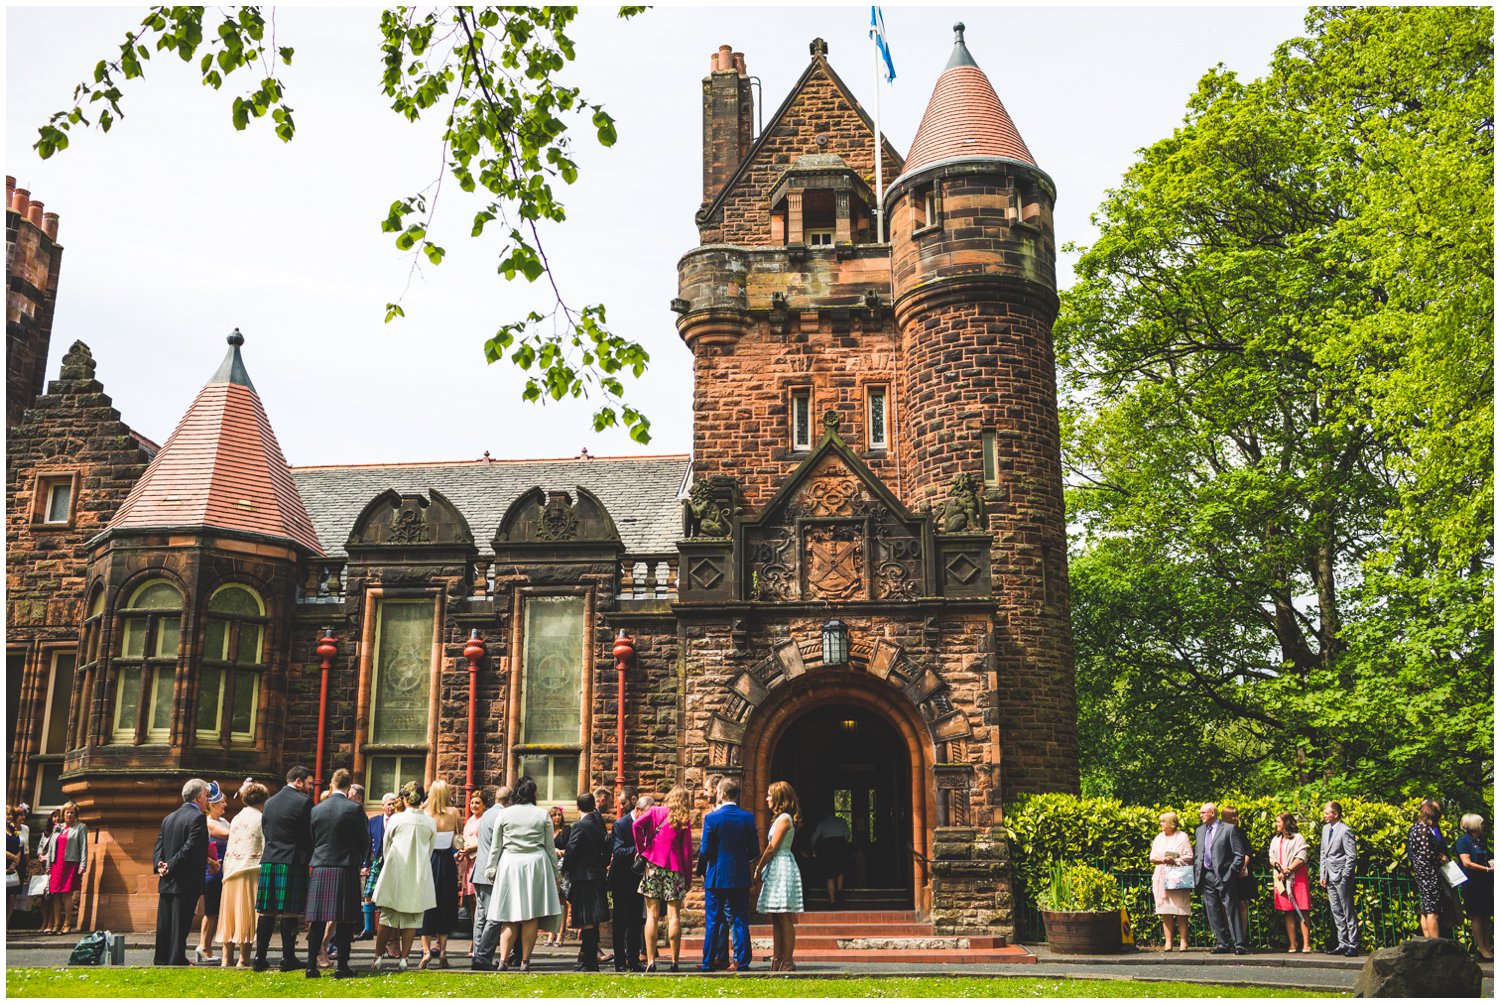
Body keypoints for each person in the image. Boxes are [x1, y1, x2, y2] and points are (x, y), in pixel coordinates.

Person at [482, 775, 562, 972]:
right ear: (533, 793)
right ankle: (525, 961)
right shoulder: (542, 815)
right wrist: (555, 873)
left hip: (510, 862)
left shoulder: (505, 814)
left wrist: (491, 868)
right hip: (536, 863)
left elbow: (496, 846)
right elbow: (550, 848)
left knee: (509, 916)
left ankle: (503, 961)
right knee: (531, 916)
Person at [303, 768, 366, 980]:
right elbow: (363, 840)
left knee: (317, 920)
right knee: (345, 920)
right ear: (349, 788)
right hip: (346, 867)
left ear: (331, 784)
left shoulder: (317, 809)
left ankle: (311, 966)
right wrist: (358, 858)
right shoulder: (354, 809)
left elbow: (312, 838)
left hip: (321, 866)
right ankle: (342, 967)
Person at [253, 765, 314, 972]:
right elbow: (309, 835)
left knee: (266, 911)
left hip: (270, 859)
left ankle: (259, 958)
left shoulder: (269, 802)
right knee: (290, 911)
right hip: (293, 859)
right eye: (308, 783)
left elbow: (266, 830)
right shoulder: (304, 802)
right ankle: (288, 958)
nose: (310, 787)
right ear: (298, 781)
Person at [372, 780, 438, 971]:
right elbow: (430, 849)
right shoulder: (429, 822)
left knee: (387, 915)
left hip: (395, 870)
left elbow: (386, 846)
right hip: (419, 871)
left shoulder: (396, 819)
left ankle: (377, 957)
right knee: (412, 917)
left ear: (406, 799)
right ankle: (405, 959)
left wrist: (389, 862)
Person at [699, 776, 758, 972]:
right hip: (739, 874)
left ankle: (708, 962)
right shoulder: (748, 818)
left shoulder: (712, 818)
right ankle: (742, 961)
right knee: (740, 918)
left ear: (722, 793)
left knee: (713, 920)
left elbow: (705, 851)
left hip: (716, 875)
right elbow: (754, 851)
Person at [634, 784, 694, 973]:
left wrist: (641, 849)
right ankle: (675, 962)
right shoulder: (684, 820)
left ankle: (651, 961)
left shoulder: (655, 811)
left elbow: (636, 825)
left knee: (651, 915)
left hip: (653, 866)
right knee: (674, 916)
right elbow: (687, 852)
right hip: (674, 869)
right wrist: (688, 876)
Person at [154, 778, 210, 966]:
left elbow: (159, 845)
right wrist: (170, 864)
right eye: (207, 797)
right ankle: (176, 958)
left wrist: (160, 864)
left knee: (164, 924)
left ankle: (161, 957)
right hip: (186, 879)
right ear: (200, 797)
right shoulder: (197, 818)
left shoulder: (168, 818)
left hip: (167, 879)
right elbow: (191, 846)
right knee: (181, 923)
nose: (208, 801)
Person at [754, 780, 805, 972]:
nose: (766, 798)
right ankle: (777, 959)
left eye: (769, 794)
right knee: (775, 917)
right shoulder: (777, 818)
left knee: (784, 916)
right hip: (775, 867)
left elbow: (772, 847)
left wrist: (759, 867)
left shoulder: (784, 818)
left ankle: (789, 960)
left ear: (778, 797)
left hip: (782, 866)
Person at [219, 780, 267, 969]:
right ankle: (243, 959)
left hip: (231, 871)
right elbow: (265, 844)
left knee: (229, 915)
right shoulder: (261, 818)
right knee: (246, 915)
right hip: (251, 869)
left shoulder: (237, 817)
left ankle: (226, 958)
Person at [562, 791, 610, 971]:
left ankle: (589, 962)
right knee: (593, 920)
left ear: (577, 807)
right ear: (594, 806)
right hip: (597, 874)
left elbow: (571, 850)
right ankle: (590, 960)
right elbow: (607, 847)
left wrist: (565, 868)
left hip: (583, 877)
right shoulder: (599, 823)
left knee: (587, 920)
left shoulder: (580, 826)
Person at [1193, 802, 1248, 955]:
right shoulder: (1199, 831)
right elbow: (1199, 853)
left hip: (1224, 875)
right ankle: (1222, 943)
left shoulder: (1228, 829)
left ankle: (1239, 944)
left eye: (1203, 812)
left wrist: (1230, 872)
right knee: (1212, 910)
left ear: (1213, 813)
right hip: (1206, 875)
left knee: (1232, 908)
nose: (1201, 815)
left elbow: (1239, 854)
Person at [420, 779, 462, 968]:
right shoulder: (454, 813)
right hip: (447, 861)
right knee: (446, 904)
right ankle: (443, 950)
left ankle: (426, 950)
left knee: (427, 904)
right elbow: (458, 838)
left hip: (429, 860)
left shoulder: (425, 813)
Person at [468, 784, 508, 970]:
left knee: (481, 917)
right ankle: (483, 957)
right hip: (492, 872)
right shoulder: (501, 815)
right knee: (495, 916)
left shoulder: (487, 815)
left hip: (479, 870)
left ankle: (477, 954)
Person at [608, 791, 647, 973]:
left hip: (638, 879)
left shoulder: (647, 823)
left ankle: (633, 959)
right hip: (622, 879)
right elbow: (619, 850)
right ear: (638, 809)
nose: (621, 807)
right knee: (620, 922)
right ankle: (620, 962)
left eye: (623, 803)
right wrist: (639, 849)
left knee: (636, 921)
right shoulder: (621, 825)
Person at [1317, 801, 1359, 957]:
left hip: (1341, 876)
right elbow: (1323, 853)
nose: (1324, 815)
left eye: (1327, 813)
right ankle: (1343, 943)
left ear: (1336, 814)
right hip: (1329, 876)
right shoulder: (1325, 829)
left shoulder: (1345, 830)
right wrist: (1323, 874)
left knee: (1348, 911)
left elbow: (1351, 855)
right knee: (1336, 911)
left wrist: (1345, 875)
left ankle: (1353, 944)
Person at [194, 783, 230, 962]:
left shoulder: (223, 821)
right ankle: (203, 946)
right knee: (211, 911)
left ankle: (206, 946)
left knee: (216, 911)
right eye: (222, 802)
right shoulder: (209, 823)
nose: (225, 805)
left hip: (223, 871)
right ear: (213, 805)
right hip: (212, 872)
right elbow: (228, 835)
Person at [1148, 810, 1193, 951]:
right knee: (1165, 910)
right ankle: (1168, 942)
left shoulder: (1183, 837)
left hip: (1178, 877)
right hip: (1162, 878)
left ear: (1171, 823)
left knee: (1181, 910)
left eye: (1163, 821)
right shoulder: (1158, 838)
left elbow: (1189, 856)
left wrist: (1175, 860)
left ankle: (1183, 941)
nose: (1161, 824)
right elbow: (1152, 858)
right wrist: (1163, 859)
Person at [1269, 812, 1311, 952]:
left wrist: (1288, 869)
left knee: (1302, 910)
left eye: (1278, 822)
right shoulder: (1276, 839)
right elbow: (1271, 856)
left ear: (1286, 823)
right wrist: (1277, 866)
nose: (1276, 824)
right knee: (1288, 911)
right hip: (1281, 879)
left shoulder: (1298, 838)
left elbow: (1301, 857)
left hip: (1296, 879)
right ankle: (1293, 944)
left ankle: (1306, 944)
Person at [45, 801, 88, 936]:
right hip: (57, 863)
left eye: (71, 812)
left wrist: (83, 864)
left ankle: (67, 923)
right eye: (67, 812)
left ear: (76, 815)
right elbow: (51, 846)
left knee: (66, 894)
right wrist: (48, 865)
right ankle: (56, 924)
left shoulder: (80, 827)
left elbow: (83, 847)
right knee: (55, 894)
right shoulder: (58, 827)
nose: (69, 814)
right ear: (63, 814)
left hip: (70, 863)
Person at [1408, 798, 1449, 938]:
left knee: (1425, 910)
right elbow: (1427, 853)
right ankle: (1435, 944)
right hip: (1429, 873)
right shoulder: (1424, 829)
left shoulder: (1413, 828)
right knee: (1433, 912)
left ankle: (1427, 942)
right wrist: (1440, 859)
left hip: (1420, 872)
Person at [1456, 813, 1494, 959]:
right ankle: (1482, 947)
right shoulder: (1464, 841)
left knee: (1486, 915)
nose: (1483, 826)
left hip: (1485, 882)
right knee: (1477, 915)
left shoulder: (1480, 841)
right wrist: (1485, 869)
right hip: (1473, 883)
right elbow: (1466, 862)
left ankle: (1488, 945)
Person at [361, 792, 397, 942]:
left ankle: (387, 932)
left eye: (394, 803)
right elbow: (367, 844)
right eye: (389, 804)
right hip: (377, 861)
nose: (392, 806)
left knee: (389, 899)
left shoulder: (399, 820)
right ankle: (368, 929)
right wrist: (365, 864)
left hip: (393, 863)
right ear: (383, 806)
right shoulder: (374, 821)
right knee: (368, 894)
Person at [1219, 806, 1255, 944]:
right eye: (1232, 816)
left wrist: (1243, 866)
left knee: (1242, 904)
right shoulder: (1221, 832)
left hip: (1240, 873)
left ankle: (1243, 936)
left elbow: (1247, 852)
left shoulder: (1240, 833)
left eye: (1236, 815)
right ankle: (1230, 934)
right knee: (1226, 904)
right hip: (1227, 872)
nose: (1236, 819)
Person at [808, 806, 850, 907]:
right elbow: (847, 835)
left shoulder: (822, 824)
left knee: (829, 875)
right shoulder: (841, 821)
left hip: (827, 850)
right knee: (840, 870)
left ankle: (832, 900)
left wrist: (813, 848)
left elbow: (813, 839)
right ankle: (839, 891)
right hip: (840, 848)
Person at [460, 789, 485, 937]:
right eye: (473, 803)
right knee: (470, 904)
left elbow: (484, 841)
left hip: (478, 862)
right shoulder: (470, 820)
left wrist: (470, 848)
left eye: (478, 803)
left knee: (479, 903)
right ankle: (474, 937)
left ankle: (479, 939)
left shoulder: (484, 820)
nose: (474, 806)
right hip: (468, 863)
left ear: (483, 805)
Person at [546, 804, 571, 946]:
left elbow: (572, 847)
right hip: (549, 867)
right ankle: (551, 933)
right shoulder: (547, 831)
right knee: (551, 901)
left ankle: (561, 934)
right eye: (554, 815)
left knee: (562, 900)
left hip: (563, 868)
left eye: (559, 815)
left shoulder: (566, 830)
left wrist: (561, 851)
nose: (557, 817)